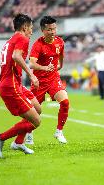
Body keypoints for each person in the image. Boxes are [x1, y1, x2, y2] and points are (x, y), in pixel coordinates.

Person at [0, 13, 41, 158]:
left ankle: (18, 142)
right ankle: (0, 137)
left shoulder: (10, 40)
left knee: (37, 109)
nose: (32, 31)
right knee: (36, 121)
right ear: (25, 27)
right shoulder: (22, 38)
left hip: (14, 83)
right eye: (31, 28)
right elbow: (16, 56)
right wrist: (31, 74)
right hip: (11, 86)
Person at [27, 16, 69, 144]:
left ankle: (59, 132)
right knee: (32, 110)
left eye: (54, 28)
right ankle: (29, 132)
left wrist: (59, 66)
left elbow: (61, 56)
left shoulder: (60, 42)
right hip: (38, 81)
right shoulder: (38, 45)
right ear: (43, 30)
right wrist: (45, 68)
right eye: (50, 29)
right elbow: (32, 64)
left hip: (53, 79)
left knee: (65, 102)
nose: (53, 32)